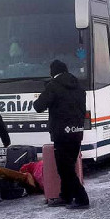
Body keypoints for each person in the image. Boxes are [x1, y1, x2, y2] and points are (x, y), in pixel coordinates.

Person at [33, 60, 90, 210]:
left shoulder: (53, 86)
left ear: (53, 72)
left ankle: (82, 198)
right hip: (77, 131)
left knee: (64, 169)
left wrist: (46, 90)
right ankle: (65, 196)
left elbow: (38, 106)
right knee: (68, 165)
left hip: (61, 133)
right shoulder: (78, 86)